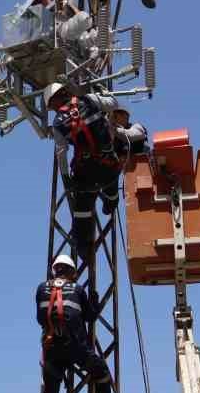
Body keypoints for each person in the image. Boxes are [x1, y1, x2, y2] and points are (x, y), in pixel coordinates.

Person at [46, 85, 148, 261]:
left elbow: (61, 153)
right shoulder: (88, 99)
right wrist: (105, 94)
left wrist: (66, 178)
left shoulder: (57, 124)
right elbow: (113, 103)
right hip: (109, 168)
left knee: (82, 210)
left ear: (53, 103)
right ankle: (111, 202)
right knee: (111, 180)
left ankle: (84, 249)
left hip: (86, 174)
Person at [36, 251, 114, 393]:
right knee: (101, 371)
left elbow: (40, 318)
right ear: (71, 272)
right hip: (75, 348)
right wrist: (94, 300)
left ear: (55, 271)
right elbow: (90, 316)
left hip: (51, 349)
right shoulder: (77, 289)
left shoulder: (41, 288)